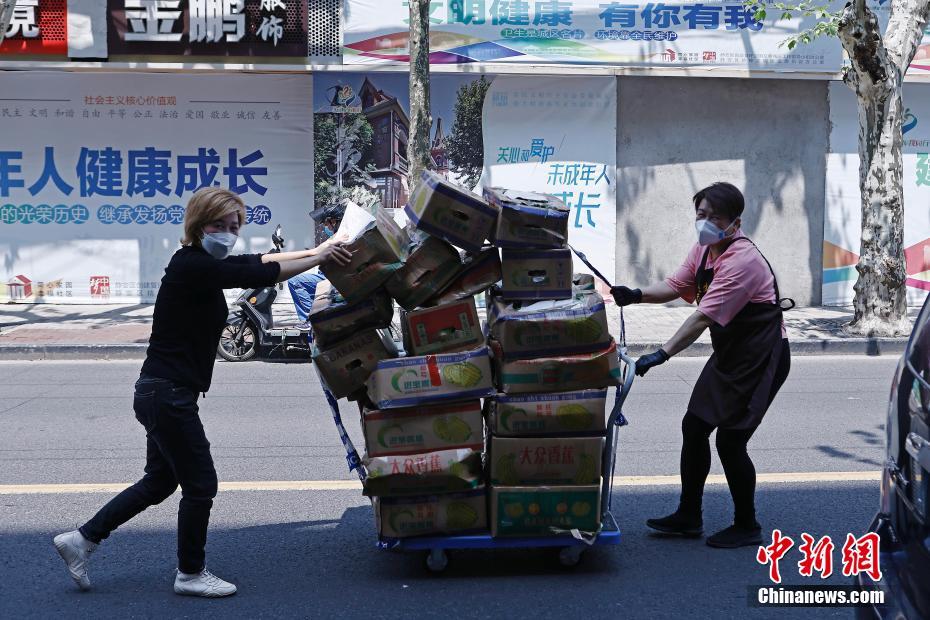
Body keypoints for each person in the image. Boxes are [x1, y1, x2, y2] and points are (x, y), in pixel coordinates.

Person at [52, 187, 352, 597]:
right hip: (167, 395)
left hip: (163, 392)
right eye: (219, 225)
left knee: (160, 482)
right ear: (197, 225)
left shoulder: (204, 264)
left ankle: (81, 540)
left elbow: (259, 261)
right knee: (201, 485)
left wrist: (322, 247)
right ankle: (190, 573)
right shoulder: (191, 265)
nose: (227, 234)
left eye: (234, 227)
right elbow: (255, 273)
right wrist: (320, 259)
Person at [612, 182, 791, 549]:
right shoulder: (705, 249)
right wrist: (635, 295)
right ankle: (688, 516)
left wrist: (661, 354)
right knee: (694, 427)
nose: (705, 222)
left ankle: (747, 524)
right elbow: (679, 285)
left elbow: (702, 318)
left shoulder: (743, 261)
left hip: (761, 357)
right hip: (731, 354)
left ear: (734, 223)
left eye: (715, 217)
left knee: (731, 440)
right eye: (701, 214)